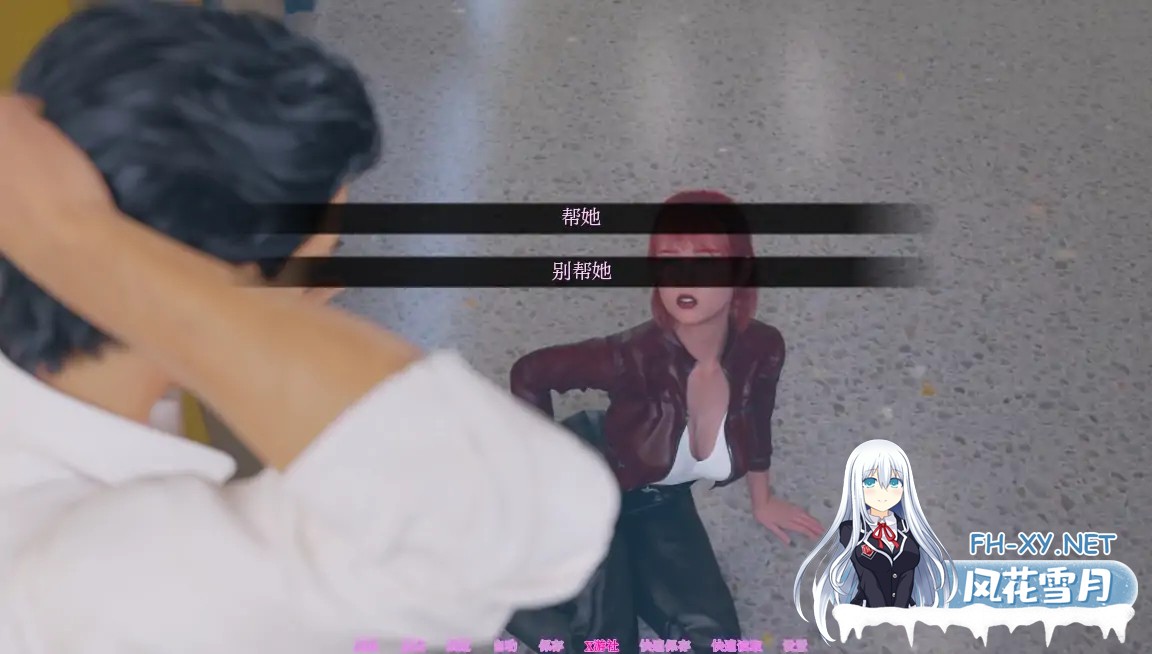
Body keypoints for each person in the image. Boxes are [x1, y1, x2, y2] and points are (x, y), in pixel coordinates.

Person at [0, 4, 618, 653]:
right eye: (316, 260)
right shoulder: (87, 576)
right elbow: (524, 520)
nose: (328, 288)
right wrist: (81, 237)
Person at [504, 192, 825, 653]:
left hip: (658, 500)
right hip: (590, 488)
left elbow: (757, 418)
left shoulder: (762, 348)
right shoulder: (631, 356)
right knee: (605, 646)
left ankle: (620, 567)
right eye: (670, 260)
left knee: (717, 641)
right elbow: (529, 374)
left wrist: (763, 499)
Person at [792, 439, 957, 644]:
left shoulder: (911, 530)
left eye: (894, 483)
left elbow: (908, 574)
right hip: (866, 616)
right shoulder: (850, 530)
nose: (883, 493)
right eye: (870, 482)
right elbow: (867, 576)